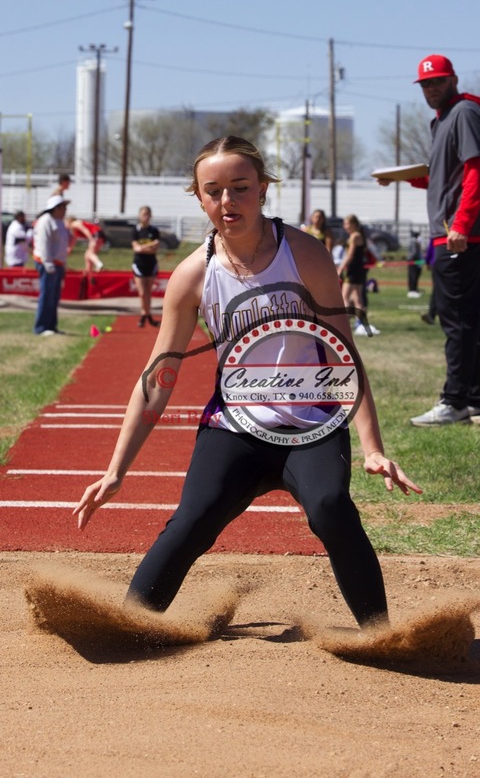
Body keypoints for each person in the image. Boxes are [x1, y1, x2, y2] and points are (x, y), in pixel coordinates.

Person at [73, 136, 422, 630]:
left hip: (314, 424)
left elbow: (344, 352)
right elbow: (157, 379)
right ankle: (126, 628)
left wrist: (373, 446)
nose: (227, 201)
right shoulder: (194, 275)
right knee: (192, 521)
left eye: (240, 188)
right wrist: (115, 470)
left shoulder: (304, 253)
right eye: (213, 190)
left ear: (262, 189)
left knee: (329, 507)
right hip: (235, 425)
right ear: (198, 196)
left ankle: (382, 634)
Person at [377, 54, 480, 426]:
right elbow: (445, 177)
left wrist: (461, 224)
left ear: (453, 79)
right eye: (426, 84)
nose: (432, 88)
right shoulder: (443, 119)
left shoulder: (464, 112)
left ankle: (455, 401)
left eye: (438, 81)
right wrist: (400, 177)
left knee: (457, 319)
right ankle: (474, 400)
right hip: (460, 231)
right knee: (470, 317)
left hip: (460, 234)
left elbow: (476, 169)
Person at [32, 195, 70, 336]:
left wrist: (63, 264)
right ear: (55, 208)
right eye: (63, 207)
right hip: (47, 263)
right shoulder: (45, 221)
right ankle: (41, 327)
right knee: (47, 295)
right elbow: (43, 245)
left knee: (54, 296)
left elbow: (61, 245)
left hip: (58, 264)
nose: (65, 210)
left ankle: (51, 325)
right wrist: (48, 264)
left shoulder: (59, 222)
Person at [337, 214, 380, 336]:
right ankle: (360, 323)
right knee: (357, 298)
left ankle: (343, 324)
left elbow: (350, 255)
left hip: (353, 270)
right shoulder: (359, 236)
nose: (345, 226)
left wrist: (340, 268)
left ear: (354, 224)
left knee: (344, 297)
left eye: (347, 224)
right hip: (359, 270)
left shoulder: (354, 236)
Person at [131, 205, 160, 328]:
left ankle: (148, 315)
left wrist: (142, 248)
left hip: (151, 264)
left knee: (148, 292)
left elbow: (154, 249)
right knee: (142, 293)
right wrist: (148, 246)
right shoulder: (135, 230)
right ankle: (144, 314)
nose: (146, 216)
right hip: (139, 265)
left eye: (148, 214)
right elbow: (136, 248)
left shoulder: (154, 231)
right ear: (139, 215)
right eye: (144, 214)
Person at [406, 230, 423, 298]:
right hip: (414, 261)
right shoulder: (413, 242)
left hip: (416, 261)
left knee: (416, 276)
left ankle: (414, 289)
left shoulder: (416, 242)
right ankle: (412, 290)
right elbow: (414, 253)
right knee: (413, 276)